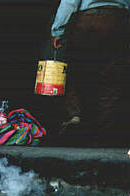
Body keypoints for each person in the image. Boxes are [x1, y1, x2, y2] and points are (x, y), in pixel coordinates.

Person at [51, 0, 130, 132]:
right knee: (111, 75)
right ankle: (104, 125)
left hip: (88, 21)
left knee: (76, 70)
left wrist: (58, 30)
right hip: (117, 20)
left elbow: (69, 2)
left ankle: (75, 115)